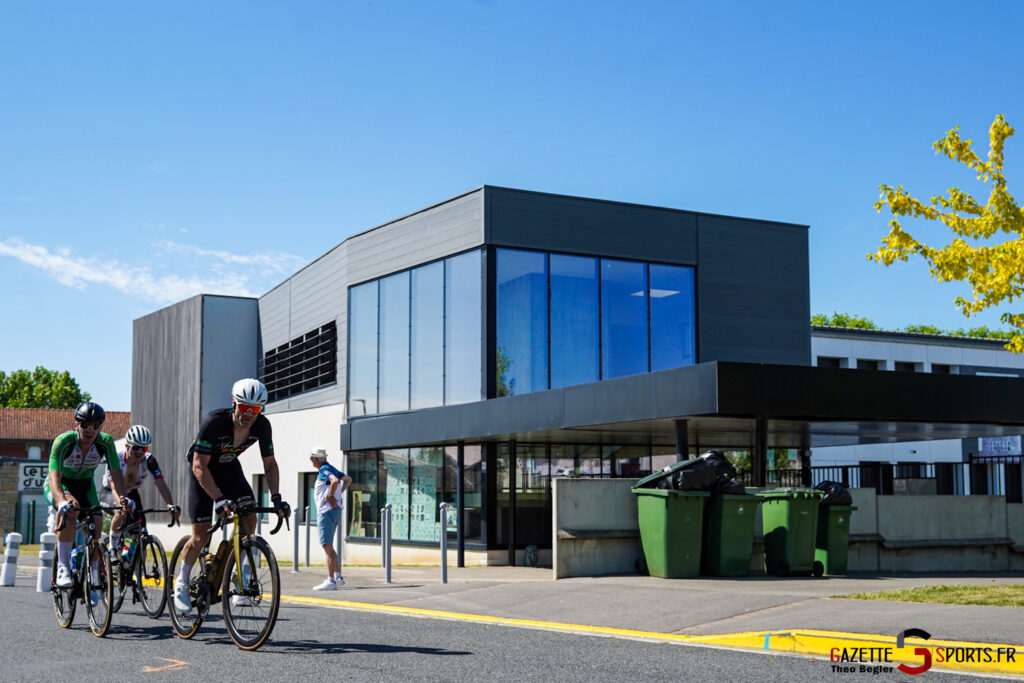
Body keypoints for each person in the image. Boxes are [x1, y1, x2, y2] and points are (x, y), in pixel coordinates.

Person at [172, 378, 291, 613]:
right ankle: (182, 581)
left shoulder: (262, 426)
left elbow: (269, 464)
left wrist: (276, 498)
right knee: (201, 536)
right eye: (244, 407)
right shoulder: (215, 422)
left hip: (228, 468)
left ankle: (239, 574)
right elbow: (198, 465)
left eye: (255, 410)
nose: (248, 414)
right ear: (234, 403)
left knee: (250, 517)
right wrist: (218, 498)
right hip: (203, 471)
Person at [45, 402, 134, 593]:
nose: (90, 430)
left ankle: (93, 574)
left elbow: (116, 474)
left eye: (95, 426)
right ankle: (62, 567)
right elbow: (54, 477)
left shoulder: (106, 442)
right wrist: (61, 501)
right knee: (72, 509)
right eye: (85, 425)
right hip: (61, 485)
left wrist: (123, 499)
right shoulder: (63, 441)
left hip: (85, 486)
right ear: (76, 424)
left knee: (97, 522)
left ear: (100, 427)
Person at [103, 425, 181, 563]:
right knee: (119, 512)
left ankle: (133, 567)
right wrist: (122, 505)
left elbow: (160, 483)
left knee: (141, 533)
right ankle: (113, 549)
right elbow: (114, 487)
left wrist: (170, 504)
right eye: (136, 448)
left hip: (132, 493)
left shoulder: (148, 460)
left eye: (143, 448)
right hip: (110, 492)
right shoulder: (117, 458)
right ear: (127, 446)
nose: (139, 452)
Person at [309, 448, 351, 591]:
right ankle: (337, 577)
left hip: (326, 512)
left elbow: (334, 481)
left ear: (317, 459)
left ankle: (330, 580)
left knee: (326, 546)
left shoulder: (324, 470)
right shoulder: (331, 468)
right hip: (335, 510)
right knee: (330, 546)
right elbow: (347, 480)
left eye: (312, 458)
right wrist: (338, 495)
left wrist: (330, 496)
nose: (311, 461)